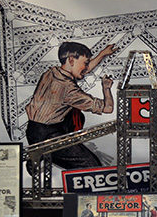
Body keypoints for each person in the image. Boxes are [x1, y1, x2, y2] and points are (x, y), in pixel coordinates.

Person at [25, 41, 117, 169]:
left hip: (33, 130)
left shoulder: (52, 72)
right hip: (49, 136)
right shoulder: (68, 89)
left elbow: (83, 70)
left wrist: (103, 54)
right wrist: (106, 88)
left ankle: (39, 155)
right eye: (85, 63)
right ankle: (42, 154)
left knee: (74, 115)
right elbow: (108, 108)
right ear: (71, 60)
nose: (86, 68)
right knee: (91, 166)